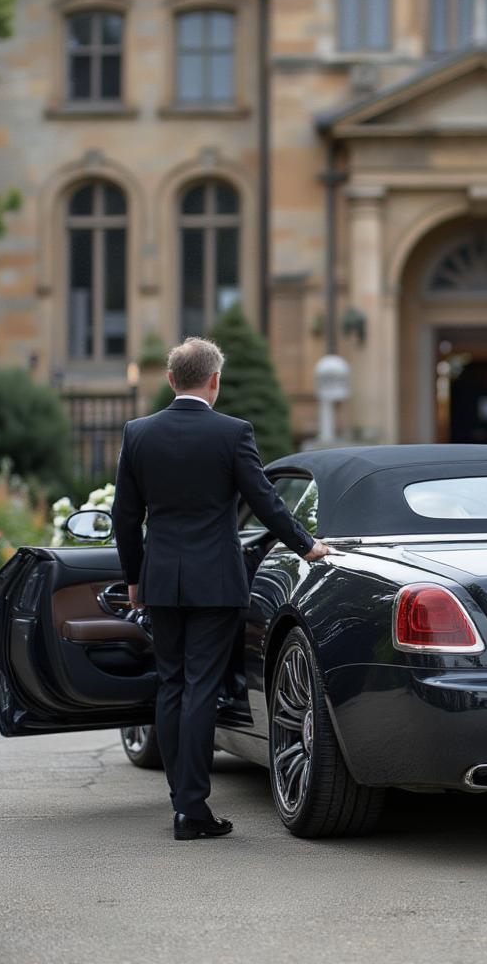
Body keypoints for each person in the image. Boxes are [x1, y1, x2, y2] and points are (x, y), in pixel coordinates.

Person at [111, 337, 331, 841]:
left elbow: (126, 518)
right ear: (214, 381)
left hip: (162, 580)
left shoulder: (139, 433)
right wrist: (306, 546)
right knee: (202, 689)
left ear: (171, 380)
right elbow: (266, 501)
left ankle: (182, 804)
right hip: (216, 580)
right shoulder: (233, 433)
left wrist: (135, 578)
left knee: (171, 685)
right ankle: (193, 811)